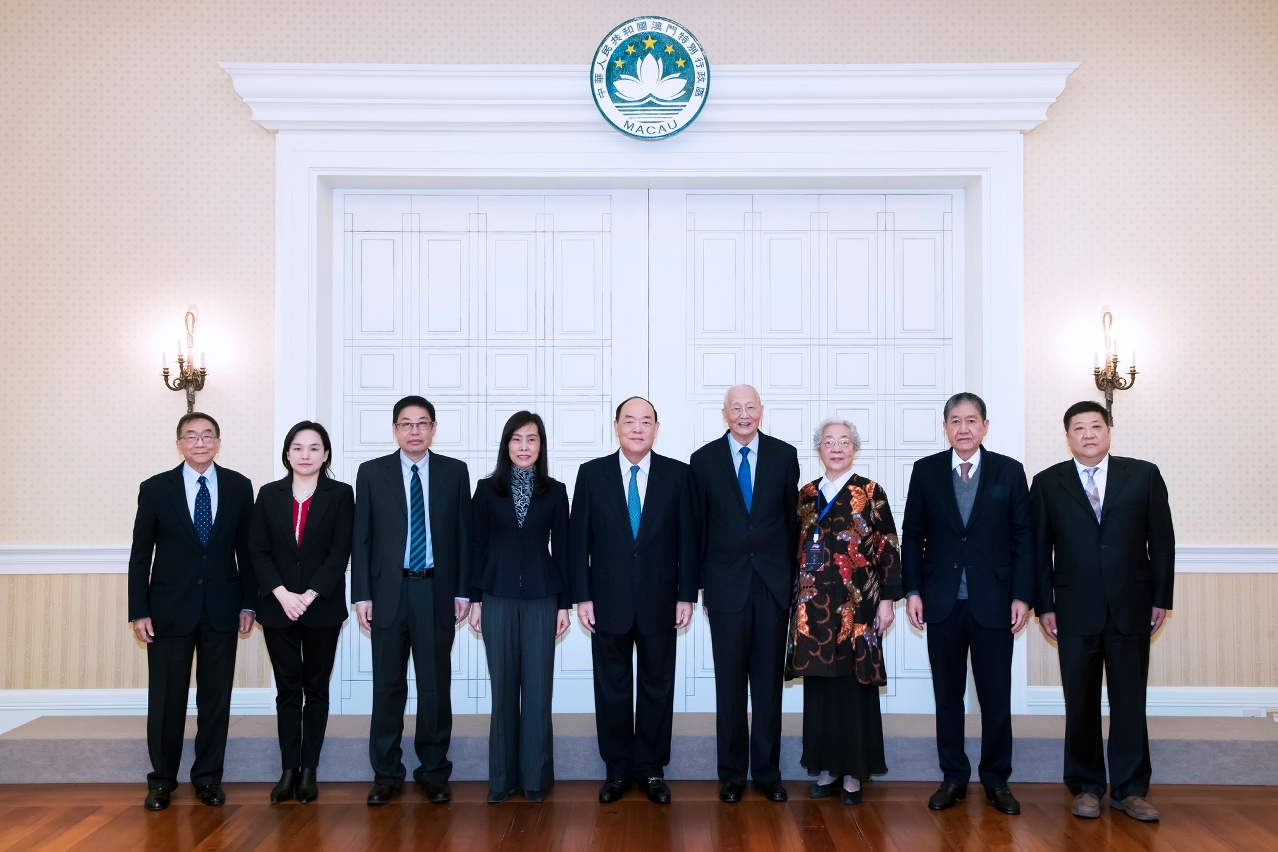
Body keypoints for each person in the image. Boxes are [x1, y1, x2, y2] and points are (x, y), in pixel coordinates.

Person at [1031, 401, 1174, 822]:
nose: (1088, 434)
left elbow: (1161, 542)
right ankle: (1086, 786)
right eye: (1079, 428)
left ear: (1109, 431)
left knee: (1130, 700)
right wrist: (1045, 606)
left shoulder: (1143, 475)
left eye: (1096, 426)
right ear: (1068, 437)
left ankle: (1131, 790)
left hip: (1132, 606)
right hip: (1073, 610)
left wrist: (1160, 598)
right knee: (1080, 702)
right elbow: (1039, 552)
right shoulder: (1047, 482)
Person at [900, 393, 1034, 815]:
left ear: (985, 426)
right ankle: (954, 777)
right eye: (955, 420)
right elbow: (912, 535)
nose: (963, 428)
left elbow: (1024, 537)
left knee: (995, 697)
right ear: (945, 427)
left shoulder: (1009, 471)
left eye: (971, 420)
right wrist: (912, 591)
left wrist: (1022, 595)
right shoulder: (926, 471)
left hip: (995, 602)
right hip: (941, 602)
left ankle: (996, 780)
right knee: (947, 696)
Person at [569, 396, 699, 805]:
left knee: (657, 686)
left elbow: (689, 540)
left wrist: (686, 595)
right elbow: (578, 540)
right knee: (612, 688)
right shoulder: (592, 474)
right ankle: (617, 769)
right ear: (616, 427)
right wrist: (582, 596)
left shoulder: (678, 475)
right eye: (629, 421)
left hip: (662, 599)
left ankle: (652, 769)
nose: (637, 428)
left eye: (646, 422)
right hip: (606, 599)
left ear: (656, 429)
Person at [127, 412, 257, 812]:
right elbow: (140, 555)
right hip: (168, 611)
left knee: (216, 699)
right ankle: (162, 781)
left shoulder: (239, 486)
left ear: (218, 442)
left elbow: (247, 551)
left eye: (207, 436)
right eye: (191, 436)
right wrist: (139, 610)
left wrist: (248, 602)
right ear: (179, 444)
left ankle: (208, 779)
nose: (200, 443)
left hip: (222, 608)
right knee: (166, 700)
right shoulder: (155, 488)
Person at [351, 395, 472, 806]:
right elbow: (362, 538)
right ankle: (386, 774)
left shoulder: (455, 472)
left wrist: (462, 592)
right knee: (388, 685)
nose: (414, 431)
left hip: (436, 590)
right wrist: (362, 594)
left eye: (422, 423)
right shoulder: (372, 473)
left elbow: (464, 536)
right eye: (406, 423)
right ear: (395, 430)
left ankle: (434, 771)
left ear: (434, 428)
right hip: (388, 592)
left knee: (435, 685)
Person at [689, 384, 800, 804]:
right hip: (725, 586)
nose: (743, 414)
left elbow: (792, 523)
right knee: (730, 685)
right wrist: (701, 585)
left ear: (761, 411)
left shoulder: (784, 456)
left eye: (750, 407)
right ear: (724, 413)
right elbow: (698, 529)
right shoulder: (703, 460)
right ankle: (732, 774)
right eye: (735, 408)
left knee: (769, 685)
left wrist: (793, 582)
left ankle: (768, 772)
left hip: (772, 586)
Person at [785, 418, 901, 805]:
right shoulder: (805, 495)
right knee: (820, 687)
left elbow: (887, 547)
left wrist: (887, 600)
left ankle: (853, 772)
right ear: (818, 449)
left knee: (855, 686)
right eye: (829, 442)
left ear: (855, 448)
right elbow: (792, 550)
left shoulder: (870, 491)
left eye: (845, 441)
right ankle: (827, 768)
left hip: (859, 606)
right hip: (813, 609)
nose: (837, 448)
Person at [468, 411, 571, 803]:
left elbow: (564, 550)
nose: (524, 447)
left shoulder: (556, 491)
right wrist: (475, 599)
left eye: (531, 439)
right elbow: (476, 546)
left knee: (539, 690)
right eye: (517, 439)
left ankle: (535, 779)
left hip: (543, 598)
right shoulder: (486, 489)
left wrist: (563, 605)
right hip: (496, 596)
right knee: (503, 690)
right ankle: (501, 779)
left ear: (540, 446)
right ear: (506, 445)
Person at [248, 420, 353, 804]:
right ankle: (288, 769)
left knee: (317, 690)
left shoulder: (340, 494)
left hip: (321, 607)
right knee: (288, 690)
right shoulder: (269, 494)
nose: (305, 455)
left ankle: (310, 770)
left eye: (313, 448)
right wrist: (282, 594)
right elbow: (257, 549)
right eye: (297, 447)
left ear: (325, 455)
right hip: (278, 609)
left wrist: (307, 595)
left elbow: (340, 551)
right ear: (287, 453)